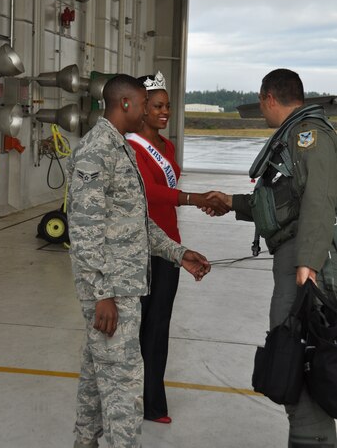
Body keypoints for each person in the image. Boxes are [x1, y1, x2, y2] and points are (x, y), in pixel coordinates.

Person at [66, 73, 212, 448]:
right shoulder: (97, 150)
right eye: (145, 103)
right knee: (124, 385)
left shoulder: (123, 149)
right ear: (126, 104)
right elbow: (83, 228)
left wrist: (179, 254)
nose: (149, 109)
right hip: (110, 289)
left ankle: (84, 441)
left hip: (125, 286)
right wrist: (102, 293)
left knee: (97, 376)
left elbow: (137, 220)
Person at [208, 68, 337, 448]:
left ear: (268, 97)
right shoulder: (295, 137)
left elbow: (319, 200)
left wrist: (308, 264)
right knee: (293, 353)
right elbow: (283, 203)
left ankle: (311, 438)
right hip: (295, 257)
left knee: (297, 355)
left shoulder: (308, 136)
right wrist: (231, 203)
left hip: (303, 263)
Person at [126, 70, 228, 424]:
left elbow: (165, 195)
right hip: (139, 245)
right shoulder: (129, 148)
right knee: (136, 327)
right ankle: (131, 398)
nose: (164, 112)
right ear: (141, 108)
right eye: (157, 106)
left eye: (167, 105)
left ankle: (153, 402)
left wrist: (195, 201)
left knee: (159, 325)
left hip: (169, 245)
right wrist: (193, 198)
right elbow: (148, 192)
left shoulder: (166, 146)